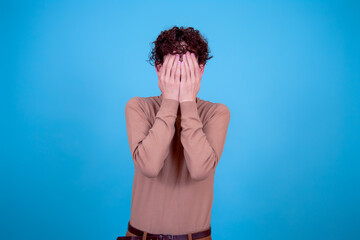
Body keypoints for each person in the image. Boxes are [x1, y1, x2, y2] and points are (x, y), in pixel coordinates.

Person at [118, 26, 230, 240]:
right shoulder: (138, 107)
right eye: (172, 65)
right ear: (158, 69)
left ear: (201, 69)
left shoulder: (216, 113)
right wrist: (169, 101)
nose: (180, 72)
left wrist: (187, 102)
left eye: (187, 65)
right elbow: (149, 167)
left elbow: (199, 170)